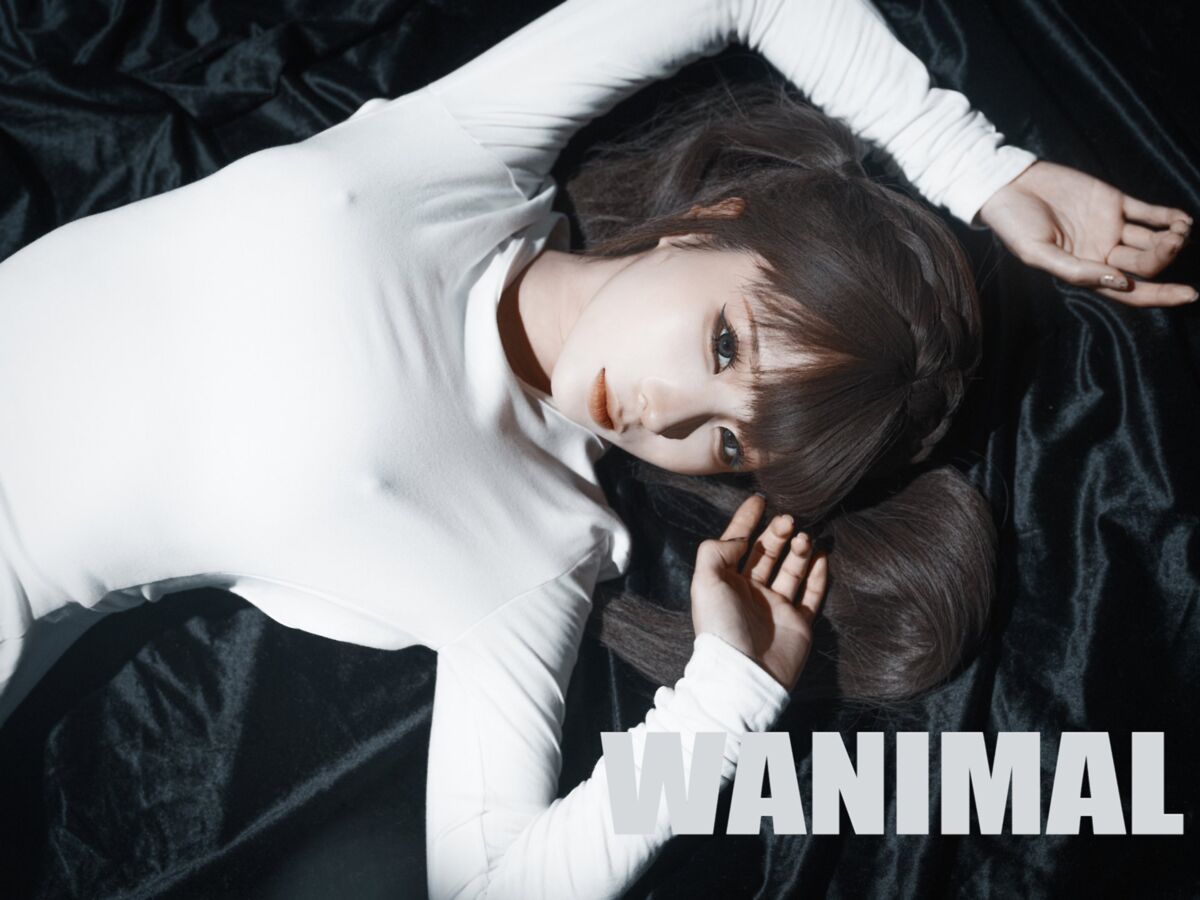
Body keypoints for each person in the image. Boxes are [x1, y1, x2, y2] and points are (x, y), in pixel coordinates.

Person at [0, 0, 1191, 897]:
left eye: (728, 441)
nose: (667, 417)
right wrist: (977, 165)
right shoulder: (454, 163)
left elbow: (486, 886)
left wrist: (725, 700)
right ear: (710, 222)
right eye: (722, 343)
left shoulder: (535, 546)